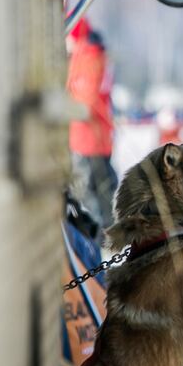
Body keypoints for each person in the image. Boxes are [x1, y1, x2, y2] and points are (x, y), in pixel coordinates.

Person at [66, 18, 119, 235]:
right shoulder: (93, 55)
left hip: (88, 138)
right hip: (96, 137)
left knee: (88, 192)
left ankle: (97, 237)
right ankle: (107, 234)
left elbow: (86, 101)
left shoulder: (88, 57)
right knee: (102, 189)